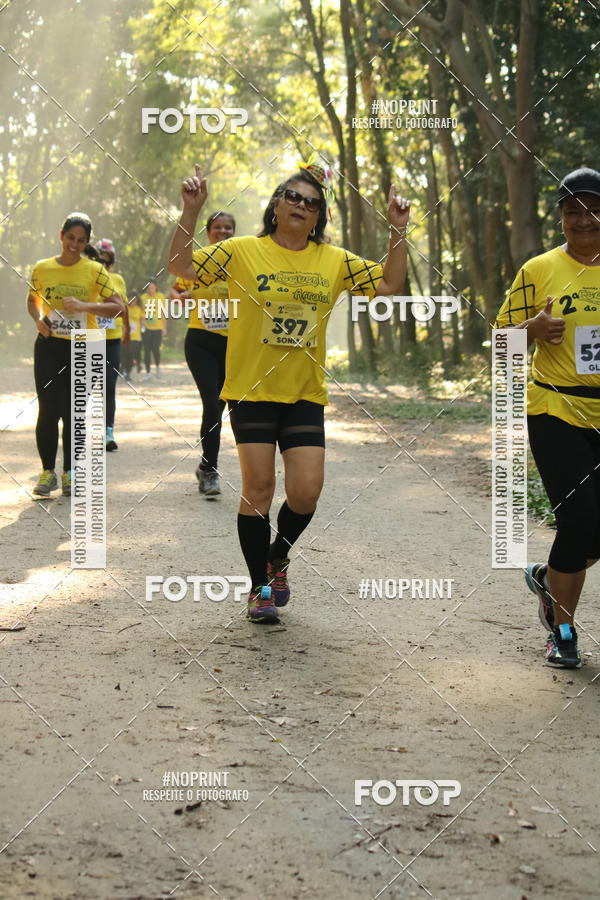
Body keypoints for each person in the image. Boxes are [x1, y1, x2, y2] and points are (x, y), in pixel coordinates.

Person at [169, 161, 411, 623]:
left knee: (306, 494)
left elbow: (390, 284)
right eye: (293, 197)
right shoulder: (240, 251)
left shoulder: (334, 260)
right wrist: (190, 210)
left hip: (303, 393)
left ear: (320, 216)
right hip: (252, 390)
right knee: (258, 489)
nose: (302, 205)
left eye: (313, 203)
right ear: (276, 205)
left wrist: (397, 231)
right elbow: (180, 265)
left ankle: (277, 555)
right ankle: (258, 586)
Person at [496, 167, 600, 668]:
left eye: (593, 209)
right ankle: (562, 629)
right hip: (556, 408)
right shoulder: (538, 270)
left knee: (592, 529)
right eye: (572, 211)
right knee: (579, 520)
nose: (584, 220)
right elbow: (499, 343)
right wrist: (532, 328)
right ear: (559, 219)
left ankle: (546, 578)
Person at [27, 212, 122, 497]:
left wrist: (84, 305)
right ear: (61, 236)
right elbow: (32, 301)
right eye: (70, 238)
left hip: (84, 345)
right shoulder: (43, 268)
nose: (74, 245)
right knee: (47, 410)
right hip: (49, 345)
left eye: (81, 240)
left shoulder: (95, 270)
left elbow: (117, 306)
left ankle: (70, 473)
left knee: (74, 412)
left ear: (87, 242)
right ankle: (47, 473)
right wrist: (38, 320)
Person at [171, 210, 236, 496]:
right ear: (208, 232)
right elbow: (174, 290)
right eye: (218, 228)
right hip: (200, 342)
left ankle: (204, 466)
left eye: (228, 228)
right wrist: (179, 298)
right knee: (212, 404)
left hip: (234, 344)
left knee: (223, 408)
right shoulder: (196, 262)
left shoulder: (241, 263)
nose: (223, 232)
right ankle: (210, 471)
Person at [95, 238, 129, 451]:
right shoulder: (87, 275)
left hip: (112, 338)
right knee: (85, 387)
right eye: (99, 261)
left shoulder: (117, 279)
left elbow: (123, 306)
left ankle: (108, 431)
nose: (103, 266)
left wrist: (127, 329)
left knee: (108, 385)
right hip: (88, 337)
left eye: (107, 262)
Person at [140, 280, 166, 380]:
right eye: (148, 288)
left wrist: (164, 327)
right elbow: (140, 313)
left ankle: (158, 367)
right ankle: (148, 372)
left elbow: (164, 313)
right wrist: (143, 322)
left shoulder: (161, 297)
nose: (150, 290)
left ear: (156, 287)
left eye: (152, 287)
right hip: (146, 328)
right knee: (147, 350)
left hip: (158, 328)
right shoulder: (143, 298)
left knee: (156, 348)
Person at [122, 293, 145, 379]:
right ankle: (123, 369)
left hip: (135, 336)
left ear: (137, 301)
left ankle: (128, 372)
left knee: (131, 354)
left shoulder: (139, 309)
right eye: (131, 299)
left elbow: (142, 321)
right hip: (124, 335)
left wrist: (143, 329)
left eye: (134, 300)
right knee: (124, 354)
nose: (132, 301)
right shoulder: (124, 307)